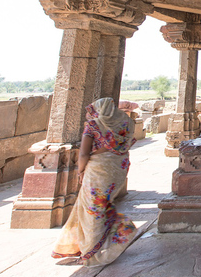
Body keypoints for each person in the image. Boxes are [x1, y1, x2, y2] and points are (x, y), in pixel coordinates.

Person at [51, 98, 137, 266]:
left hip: (98, 169)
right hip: (118, 168)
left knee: (93, 209)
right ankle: (109, 237)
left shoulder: (94, 125)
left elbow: (83, 154)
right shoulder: (126, 123)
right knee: (101, 204)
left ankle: (94, 249)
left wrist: (80, 171)